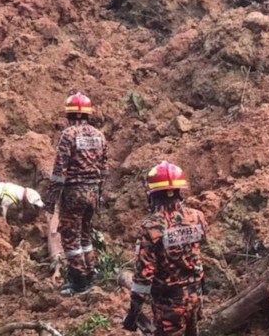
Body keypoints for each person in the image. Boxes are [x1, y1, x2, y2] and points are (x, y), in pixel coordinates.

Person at [122, 161, 208, 336]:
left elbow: (144, 276)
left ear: (152, 195)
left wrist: (133, 314)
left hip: (169, 306)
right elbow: (200, 247)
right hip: (195, 297)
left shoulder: (151, 227)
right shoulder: (197, 217)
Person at [46, 92, 108, 296]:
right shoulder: (99, 136)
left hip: (74, 193)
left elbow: (59, 170)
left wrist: (52, 198)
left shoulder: (69, 135)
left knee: (71, 238)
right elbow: (105, 169)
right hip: (93, 192)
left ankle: (79, 282)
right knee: (85, 235)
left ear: (69, 114)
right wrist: (99, 193)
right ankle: (90, 274)